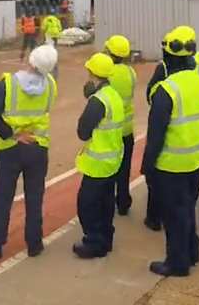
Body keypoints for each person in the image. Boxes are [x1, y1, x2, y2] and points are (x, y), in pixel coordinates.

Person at [142, 27, 199, 277]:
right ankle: (191, 252)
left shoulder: (166, 90)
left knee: (174, 216)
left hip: (172, 165)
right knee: (187, 210)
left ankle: (177, 263)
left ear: (168, 58)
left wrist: (147, 167)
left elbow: (156, 136)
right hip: (196, 159)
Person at [0, 44, 58, 259]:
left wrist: (12, 134)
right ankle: (34, 242)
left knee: (3, 197)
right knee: (35, 196)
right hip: (38, 147)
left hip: (10, 149)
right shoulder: (50, 84)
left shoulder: (7, 83)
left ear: (29, 60)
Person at [73, 52, 125, 258]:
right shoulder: (114, 95)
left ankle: (93, 242)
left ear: (94, 75)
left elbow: (82, 131)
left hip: (98, 163)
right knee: (105, 203)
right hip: (113, 160)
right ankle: (105, 239)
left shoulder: (98, 101)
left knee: (87, 205)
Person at [101, 34, 138, 216]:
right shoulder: (131, 73)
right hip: (127, 129)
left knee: (109, 171)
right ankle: (123, 201)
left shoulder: (106, 74)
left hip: (110, 131)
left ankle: (107, 204)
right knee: (124, 170)